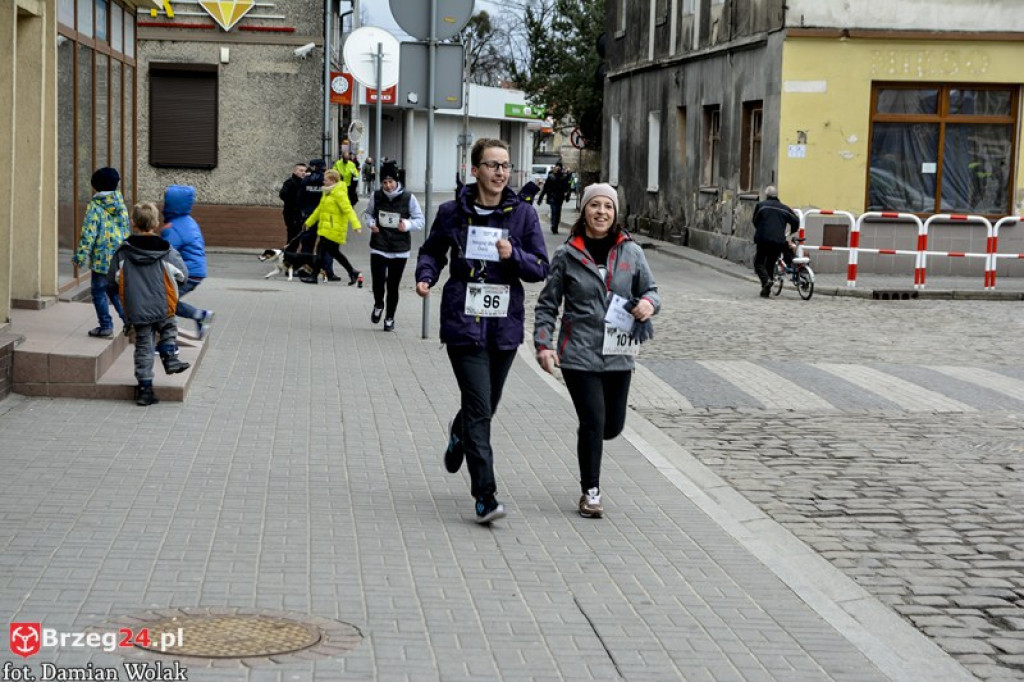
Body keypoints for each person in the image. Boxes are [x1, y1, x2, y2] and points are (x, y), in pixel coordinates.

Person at [415, 137, 550, 524]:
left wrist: (515, 255)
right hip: (463, 323)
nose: (500, 172)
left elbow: (540, 267)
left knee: (485, 405)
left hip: (503, 327)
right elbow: (432, 251)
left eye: (505, 165)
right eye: (492, 165)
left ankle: (458, 435)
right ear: (475, 169)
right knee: (479, 408)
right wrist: (426, 276)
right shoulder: (452, 212)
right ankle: (485, 496)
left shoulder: (522, 215)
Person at [534, 183, 659, 518]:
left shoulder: (631, 252)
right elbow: (547, 304)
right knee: (592, 420)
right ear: (584, 211)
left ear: (615, 213)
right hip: (578, 352)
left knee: (611, 426)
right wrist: (543, 344)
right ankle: (591, 492)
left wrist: (647, 303)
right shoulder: (567, 254)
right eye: (595, 206)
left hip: (619, 353)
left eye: (608, 206)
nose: (601, 212)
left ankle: (591, 443)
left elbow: (651, 290)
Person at [107, 203, 190, 406]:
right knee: (169, 327)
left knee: (143, 346)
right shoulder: (166, 251)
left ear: (132, 223)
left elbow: (112, 280)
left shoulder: (123, 251)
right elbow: (183, 276)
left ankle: (145, 390)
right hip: (163, 303)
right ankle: (169, 357)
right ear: (156, 223)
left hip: (137, 307)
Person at [363, 161, 424, 331]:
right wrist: (371, 223)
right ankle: (378, 304)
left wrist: (407, 224)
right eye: (384, 182)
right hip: (379, 245)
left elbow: (420, 220)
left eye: (391, 182)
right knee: (378, 281)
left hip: (400, 249)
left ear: (397, 182)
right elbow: (367, 214)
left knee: (393, 286)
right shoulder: (376, 196)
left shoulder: (408, 198)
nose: (388, 186)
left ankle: (390, 317)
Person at [72, 167, 130, 337]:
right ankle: (129, 323)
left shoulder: (95, 207)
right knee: (114, 292)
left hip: (101, 259)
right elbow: (126, 231)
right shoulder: (121, 204)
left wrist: (81, 256)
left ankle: (106, 325)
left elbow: (88, 233)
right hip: (119, 258)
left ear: (96, 187)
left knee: (98, 291)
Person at [161, 185, 215, 338]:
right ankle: (200, 316)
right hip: (195, 271)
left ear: (172, 204)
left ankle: (166, 340)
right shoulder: (187, 221)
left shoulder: (174, 227)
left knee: (164, 302)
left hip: (187, 272)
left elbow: (164, 251)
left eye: (166, 201)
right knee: (167, 300)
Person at [303, 169, 362, 285]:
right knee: (334, 253)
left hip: (334, 229)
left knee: (321, 252)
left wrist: (356, 225)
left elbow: (348, 210)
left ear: (332, 180)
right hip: (327, 228)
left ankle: (314, 276)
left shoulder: (339, 193)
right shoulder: (327, 192)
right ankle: (353, 272)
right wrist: (308, 223)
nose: (323, 182)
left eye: (325, 180)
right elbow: (319, 210)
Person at [752, 185, 800, 298]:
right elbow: (795, 221)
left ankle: (766, 281)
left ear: (767, 196)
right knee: (770, 263)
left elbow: (755, 221)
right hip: (778, 240)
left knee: (758, 262)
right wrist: (792, 231)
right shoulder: (784, 208)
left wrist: (761, 229)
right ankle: (766, 289)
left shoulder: (761, 206)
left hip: (763, 239)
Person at [537, 162, 572, 234]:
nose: (558, 168)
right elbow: (545, 188)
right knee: (554, 211)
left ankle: (555, 225)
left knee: (557, 212)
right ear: (555, 167)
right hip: (552, 197)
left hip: (559, 197)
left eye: (559, 167)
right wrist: (540, 198)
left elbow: (567, 187)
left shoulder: (563, 177)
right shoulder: (551, 176)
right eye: (557, 166)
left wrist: (568, 196)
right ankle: (554, 225)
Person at [278, 162, 307, 243]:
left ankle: (291, 253)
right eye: (301, 170)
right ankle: (289, 253)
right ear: (295, 171)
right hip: (291, 213)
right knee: (292, 235)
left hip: (300, 213)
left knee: (297, 236)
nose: (303, 172)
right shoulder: (290, 183)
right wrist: (294, 202)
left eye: (304, 171)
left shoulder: (304, 183)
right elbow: (283, 194)